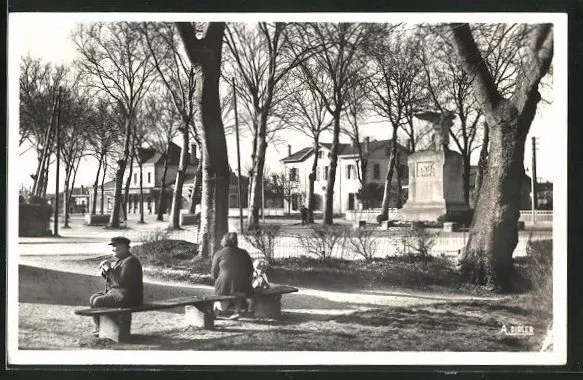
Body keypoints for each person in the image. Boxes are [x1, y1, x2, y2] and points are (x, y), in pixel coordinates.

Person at [89, 236, 143, 336]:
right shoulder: (122, 260)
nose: (113, 249)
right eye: (113, 246)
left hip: (129, 297)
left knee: (98, 301)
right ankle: (99, 327)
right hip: (120, 294)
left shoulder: (131, 261)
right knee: (93, 298)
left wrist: (109, 269)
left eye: (116, 246)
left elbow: (121, 282)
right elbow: (115, 281)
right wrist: (105, 272)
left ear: (124, 247)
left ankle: (102, 329)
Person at [211, 232, 254, 320]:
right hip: (242, 285)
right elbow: (250, 270)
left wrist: (216, 279)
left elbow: (214, 273)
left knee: (222, 304)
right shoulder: (244, 253)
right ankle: (237, 311)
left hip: (223, 286)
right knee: (238, 291)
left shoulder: (219, 254)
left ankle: (216, 307)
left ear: (224, 241)